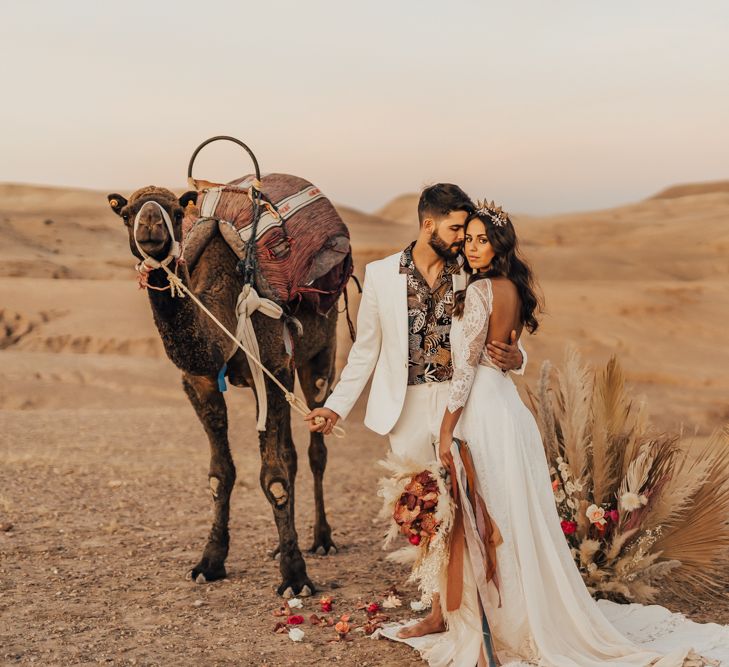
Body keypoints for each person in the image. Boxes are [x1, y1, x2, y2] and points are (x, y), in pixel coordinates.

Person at [386, 201, 725, 666]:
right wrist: (512, 361)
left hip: (482, 411)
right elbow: (512, 352)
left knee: (490, 516)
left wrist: (445, 432)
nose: (473, 246)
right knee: (510, 513)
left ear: (500, 245)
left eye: (483, 239)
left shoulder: (482, 291)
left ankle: (500, 621)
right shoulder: (511, 289)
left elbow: (464, 371)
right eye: (469, 238)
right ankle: (516, 611)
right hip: (509, 411)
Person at [305, 184, 527, 636]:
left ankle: (485, 606)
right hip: (402, 407)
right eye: (456, 228)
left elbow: (508, 331)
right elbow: (364, 352)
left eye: (467, 230)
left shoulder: (472, 272)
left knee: (470, 504)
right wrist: (334, 408)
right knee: (424, 508)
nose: (464, 238)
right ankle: (436, 609)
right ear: (429, 224)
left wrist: (518, 359)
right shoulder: (382, 275)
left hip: (463, 404)